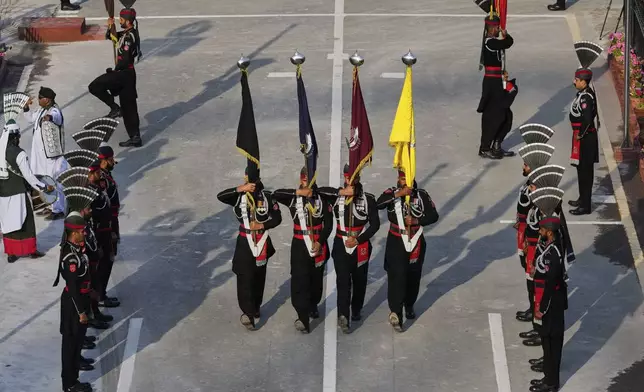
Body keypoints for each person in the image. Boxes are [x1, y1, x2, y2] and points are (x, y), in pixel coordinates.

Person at [217, 169, 282, 331]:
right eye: (246, 178)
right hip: (245, 242)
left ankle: (255, 306)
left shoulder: (266, 196)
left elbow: (277, 218)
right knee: (244, 277)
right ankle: (247, 313)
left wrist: (262, 225)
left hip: (261, 241)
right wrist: (240, 189)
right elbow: (221, 196)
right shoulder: (239, 196)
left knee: (258, 278)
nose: (249, 180)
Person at [318, 164, 380, 333]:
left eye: (353, 177)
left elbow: (375, 225)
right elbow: (319, 191)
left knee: (360, 281)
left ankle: (356, 308)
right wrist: (341, 192)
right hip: (341, 243)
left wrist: (359, 239)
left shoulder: (368, 199)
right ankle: (343, 315)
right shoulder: (337, 196)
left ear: (358, 178)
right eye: (347, 177)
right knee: (343, 281)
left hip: (361, 245)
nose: (349, 180)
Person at [376, 170, 439, 332]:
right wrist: (399, 194)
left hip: (416, 240)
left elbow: (433, 216)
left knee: (413, 276)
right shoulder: (392, 193)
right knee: (396, 276)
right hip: (396, 240)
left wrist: (417, 220)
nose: (401, 180)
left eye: (404, 177)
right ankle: (396, 312)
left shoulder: (421, 195)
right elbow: (379, 204)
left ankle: (409, 304)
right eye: (400, 177)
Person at [273, 167, 332, 333]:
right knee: (299, 280)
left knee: (316, 279)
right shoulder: (294, 198)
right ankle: (302, 316)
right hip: (299, 245)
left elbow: (329, 224)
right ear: (301, 179)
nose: (307, 182)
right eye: (305, 179)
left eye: (310, 180)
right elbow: (276, 194)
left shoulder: (322, 198)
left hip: (318, 244)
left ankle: (313, 304)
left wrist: (320, 242)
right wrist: (299, 192)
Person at [88, 7, 142, 148]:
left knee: (95, 86)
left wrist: (114, 71)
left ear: (128, 21)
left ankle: (114, 108)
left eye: (121, 19)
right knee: (129, 107)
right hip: (127, 74)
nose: (120, 20)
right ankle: (135, 137)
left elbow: (124, 59)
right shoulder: (128, 33)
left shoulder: (129, 37)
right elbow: (111, 37)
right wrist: (110, 26)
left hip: (124, 74)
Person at [0, 120, 53, 263]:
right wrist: (43, 187)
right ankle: (31, 250)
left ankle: (11, 253)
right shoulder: (19, 154)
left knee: (8, 223)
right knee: (27, 221)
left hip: (3, 195)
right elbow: (29, 176)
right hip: (19, 193)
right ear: (15, 137)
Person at [530, 206, 568, 391]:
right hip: (550, 301)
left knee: (552, 342)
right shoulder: (550, 248)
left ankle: (551, 382)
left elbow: (552, 282)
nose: (540, 232)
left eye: (542, 230)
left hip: (553, 302)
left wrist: (542, 306)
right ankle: (548, 376)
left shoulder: (554, 254)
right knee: (547, 340)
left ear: (550, 233)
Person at [54, 211, 93, 392]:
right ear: (74, 232)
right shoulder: (70, 256)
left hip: (80, 300)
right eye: (82, 230)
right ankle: (68, 385)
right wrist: (81, 312)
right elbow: (73, 286)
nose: (84, 233)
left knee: (77, 344)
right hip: (73, 305)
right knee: (70, 346)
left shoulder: (76, 250)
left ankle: (74, 380)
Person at [23, 87, 68, 220]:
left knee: (54, 180)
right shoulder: (41, 110)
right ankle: (50, 205)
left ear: (47, 100)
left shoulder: (54, 110)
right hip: (41, 155)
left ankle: (58, 209)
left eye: (40, 98)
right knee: (44, 180)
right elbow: (31, 119)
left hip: (52, 156)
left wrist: (49, 117)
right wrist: (25, 108)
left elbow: (57, 118)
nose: (38, 100)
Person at [477, 14, 514, 159]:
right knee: (492, 116)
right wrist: (506, 35)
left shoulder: (493, 41)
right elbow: (507, 43)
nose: (499, 29)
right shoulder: (489, 42)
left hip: (497, 81)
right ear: (491, 28)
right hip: (491, 84)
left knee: (505, 115)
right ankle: (485, 147)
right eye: (497, 27)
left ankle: (496, 145)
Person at [87, 161, 119, 308]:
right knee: (100, 266)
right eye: (96, 173)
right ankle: (98, 297)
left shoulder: (97, 187)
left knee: (108, 262)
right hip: (98, 235)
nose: (100, 175)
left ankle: (101, 294)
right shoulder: (87, 193)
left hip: (106, 231)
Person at [568, 68, 599, 216]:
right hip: (581, 137)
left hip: (586, 139)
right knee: (580, 170)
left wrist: (580, 134)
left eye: (577, 80)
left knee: (586, 172)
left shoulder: (586, 97)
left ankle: (585, 206)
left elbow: (587, 119)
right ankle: (582, 199)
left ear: (584, 81)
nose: (574, 82)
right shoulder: (583, 94)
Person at [98, 144, 120, 255]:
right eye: (111, 159)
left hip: (113, 216)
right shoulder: (102, 178)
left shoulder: (106, 174)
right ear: (105, 161)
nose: (113, 162)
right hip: (108, 219)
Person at [491, 71, 518, 157]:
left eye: (507, 77)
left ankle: (496, 145)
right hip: (498, 109)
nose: (507, 78)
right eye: (505, 77)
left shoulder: (507, 85)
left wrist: (509, 87)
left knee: (507, 123)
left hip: (504, 108)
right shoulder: (496, 86)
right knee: (503, 124)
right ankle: (496, 147)